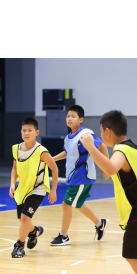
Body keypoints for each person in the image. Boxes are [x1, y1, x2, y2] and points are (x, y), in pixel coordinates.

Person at [80, 110, 137, 274]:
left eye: (101, 131)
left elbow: (112, 167)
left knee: (130, 254)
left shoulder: (121, 150)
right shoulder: (134, 148)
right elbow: (115, 169)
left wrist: (90, 147)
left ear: (107, 132)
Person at [48, 104, 110, 246]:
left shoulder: (86, 134)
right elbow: (67, 153)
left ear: (80, 119)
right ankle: (100, 224)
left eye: (73, 116)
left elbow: (102, 145)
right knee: (78, 204)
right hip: (74, 176)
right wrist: (51, 159)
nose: (69, 118)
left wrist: (107, 167)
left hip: (82, 175)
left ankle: (64, 236)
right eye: (68, 116)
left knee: (66, 204)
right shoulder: (68, 138)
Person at [9, 117, 58, 257]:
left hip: (38, 188)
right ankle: (34, 232)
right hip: (23, 188)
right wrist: (12, 184)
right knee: (22, 219)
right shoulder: (16, 149)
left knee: (25, 217)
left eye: (29, 130)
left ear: (36, 132)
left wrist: (53, 190)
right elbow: (15, 168)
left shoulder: (41, 151)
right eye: (24, 130)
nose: (26, 133)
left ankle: (19, 245)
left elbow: (54, 168)